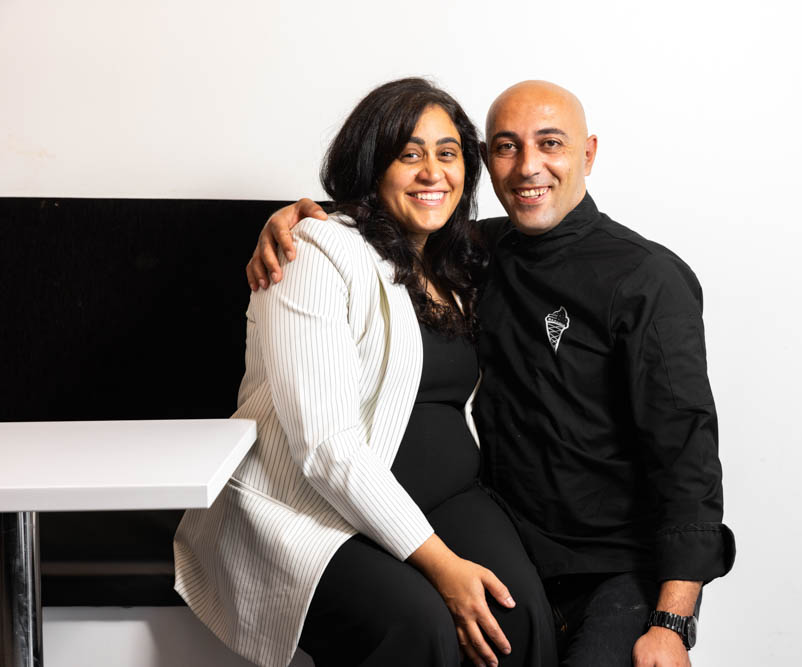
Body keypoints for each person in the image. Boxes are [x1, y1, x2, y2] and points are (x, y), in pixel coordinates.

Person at [248, 80, 736, 667]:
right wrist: (303, 220)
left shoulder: (647, 279)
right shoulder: (476, 254)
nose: (529, 166)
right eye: (506, 147)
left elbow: (688, 456)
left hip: (610, 573)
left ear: (588, 154)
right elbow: (388, 227)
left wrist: (673, 622)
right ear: (489, 162)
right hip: (507, 544)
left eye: (550, 144)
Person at [174, 78, 557, 667]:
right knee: (422, 626)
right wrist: (441, 563)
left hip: (448, 497)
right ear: (371, 165)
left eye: (447, 153)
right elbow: (327, 447)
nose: (433, 172)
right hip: (313, 508)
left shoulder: (462, 257)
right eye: (409, 154)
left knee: (520, 613)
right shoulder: (314, 254)